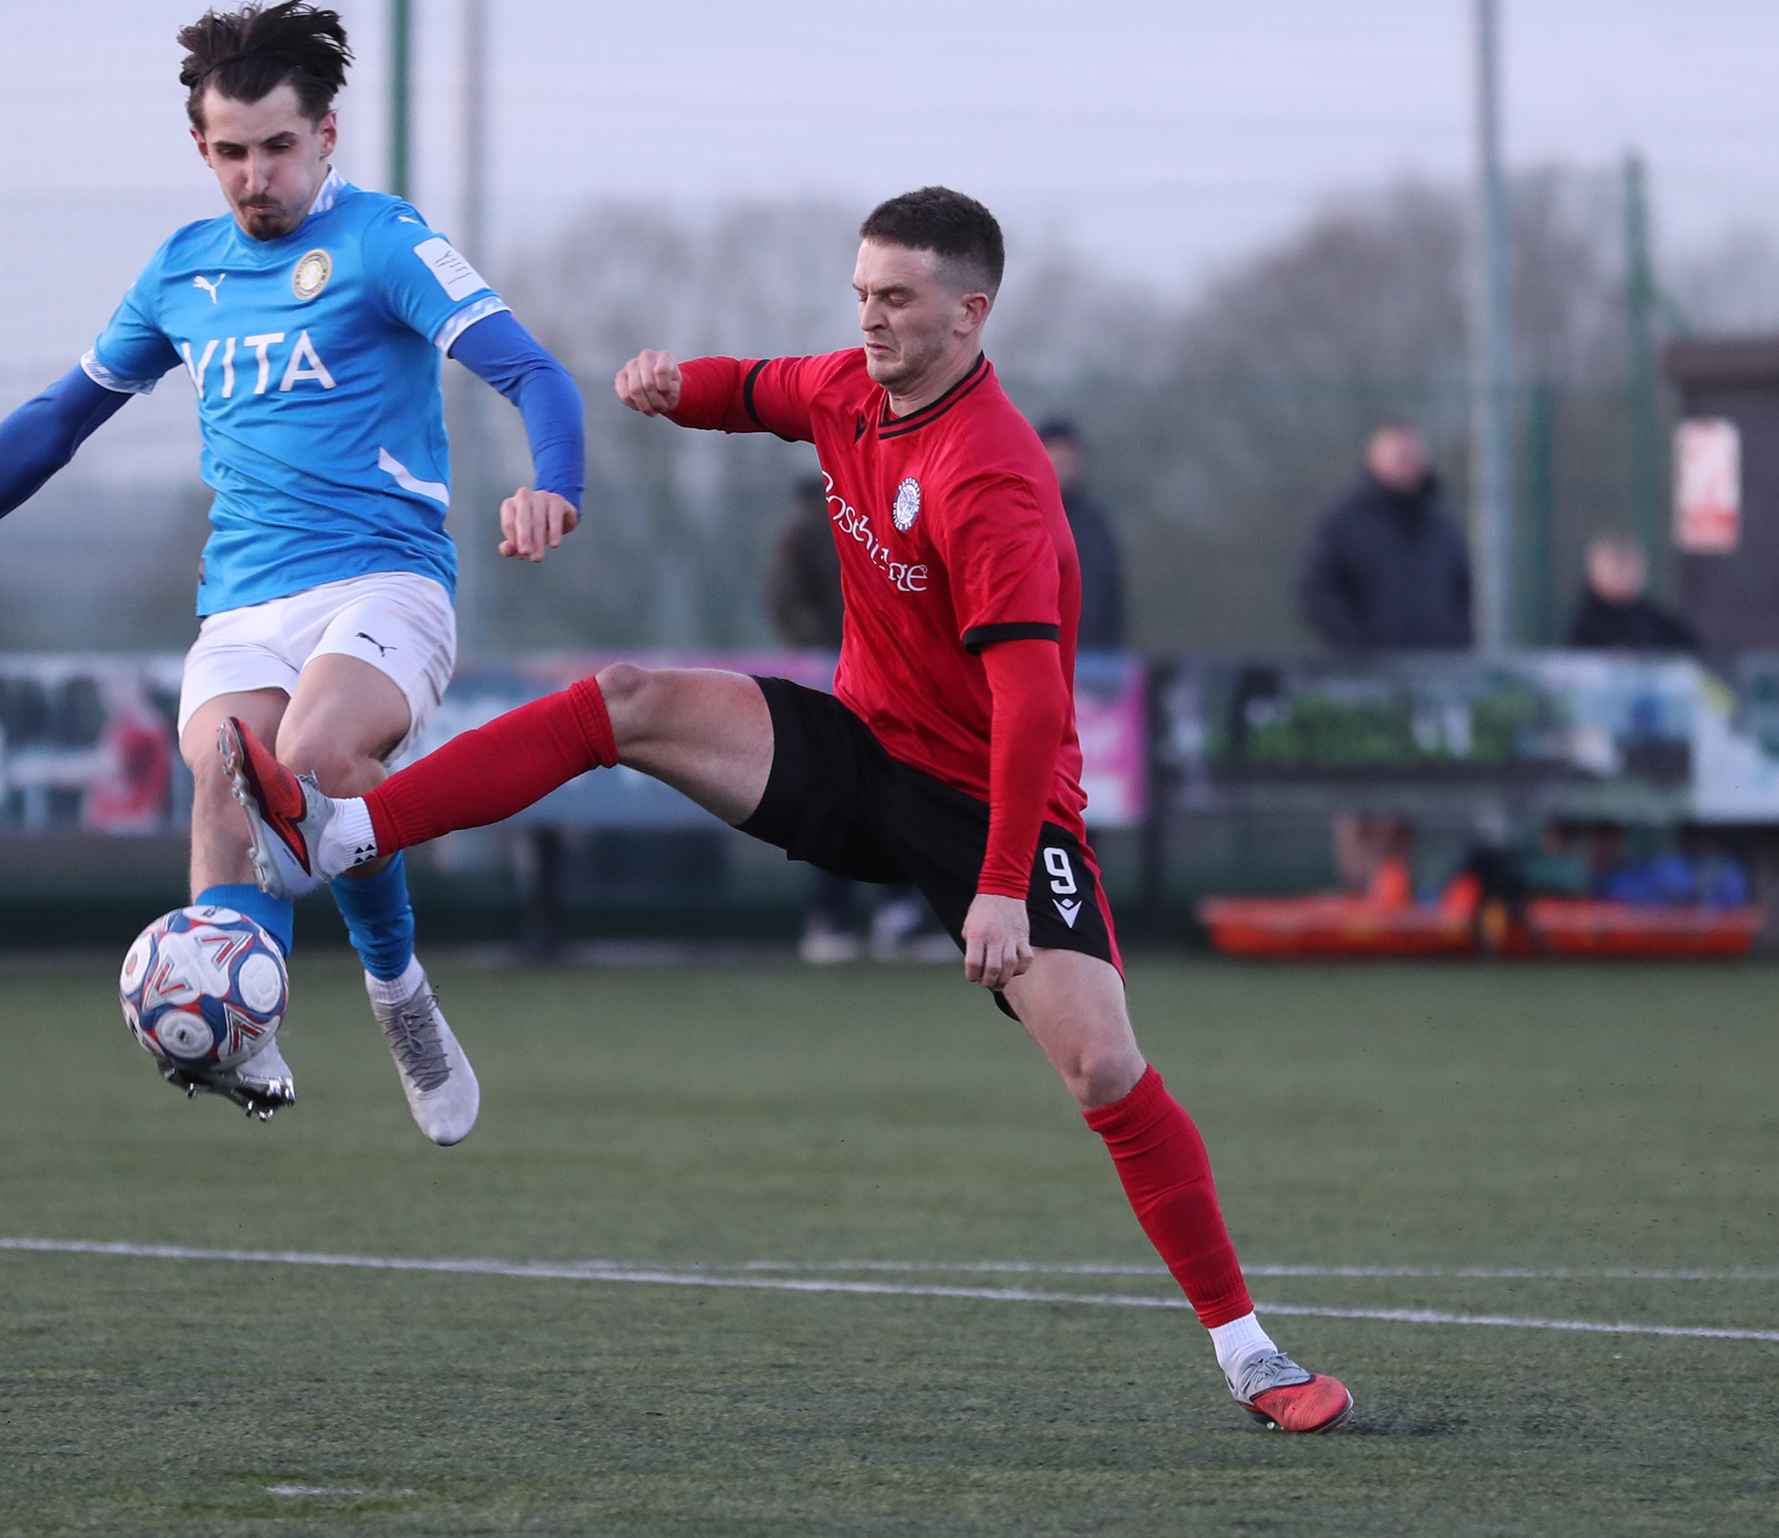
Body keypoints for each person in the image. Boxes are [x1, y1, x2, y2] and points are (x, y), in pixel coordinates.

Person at [225, 187, 1353, 1432]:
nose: (867, 318)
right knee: (629, 696)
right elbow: (755, 389)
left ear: (971, 314)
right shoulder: (848, 386)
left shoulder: (996, 483)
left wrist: (992, 882)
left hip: (992, 807)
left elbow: (1032, 710)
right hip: (856, 746)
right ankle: (344, 832)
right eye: (860, 292)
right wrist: (669, 385)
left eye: (896, 299)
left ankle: (1250, 1353)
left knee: (1100, 1064)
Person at [0, 0, 584, 1141]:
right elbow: (55, 420)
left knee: (318, 753)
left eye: (278, 149)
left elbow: (535, 371)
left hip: (384, 578)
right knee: (228, 778)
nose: (254, 176)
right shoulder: (181, 271)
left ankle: (398, 991)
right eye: (230, 153)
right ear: (201, 147)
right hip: (240, 605)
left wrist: (553, 481)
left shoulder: (385, 242)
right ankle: (245, 1017)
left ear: (325, 135)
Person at [764, 474, 944, 964]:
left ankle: (898, 919)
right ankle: (829, 920)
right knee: (837, 793)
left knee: (903, 789)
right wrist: (837, 646)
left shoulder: (902, 497)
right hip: (837, 677)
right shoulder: (809, 522)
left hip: (900, 678)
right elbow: (784, 602)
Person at [1298, 422, 1472, 650]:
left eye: (1415, 458)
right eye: (1402, 458)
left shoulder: (1441, 524)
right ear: (1375, 461)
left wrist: (1457, 639)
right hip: (1367, 674)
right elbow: (1317, 591)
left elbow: (1463, 590)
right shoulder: (1340, 523)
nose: (1411, 466)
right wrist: (1358, 645)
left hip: (1439, 668)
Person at [1035, 418, 1126, 650]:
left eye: (1071, 457)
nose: (1066, 465)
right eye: (1057, 456)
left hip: (1094, 656)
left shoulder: (1096, 522)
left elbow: (1109, 594)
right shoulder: (1023, 517)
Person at [1565, 534, 1698, 653]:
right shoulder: (1585, 626)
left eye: (1629, 569)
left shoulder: (1652, 621)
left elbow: (1690, 648)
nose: (1623, 578)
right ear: (1594, 574)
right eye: (1615, 570)